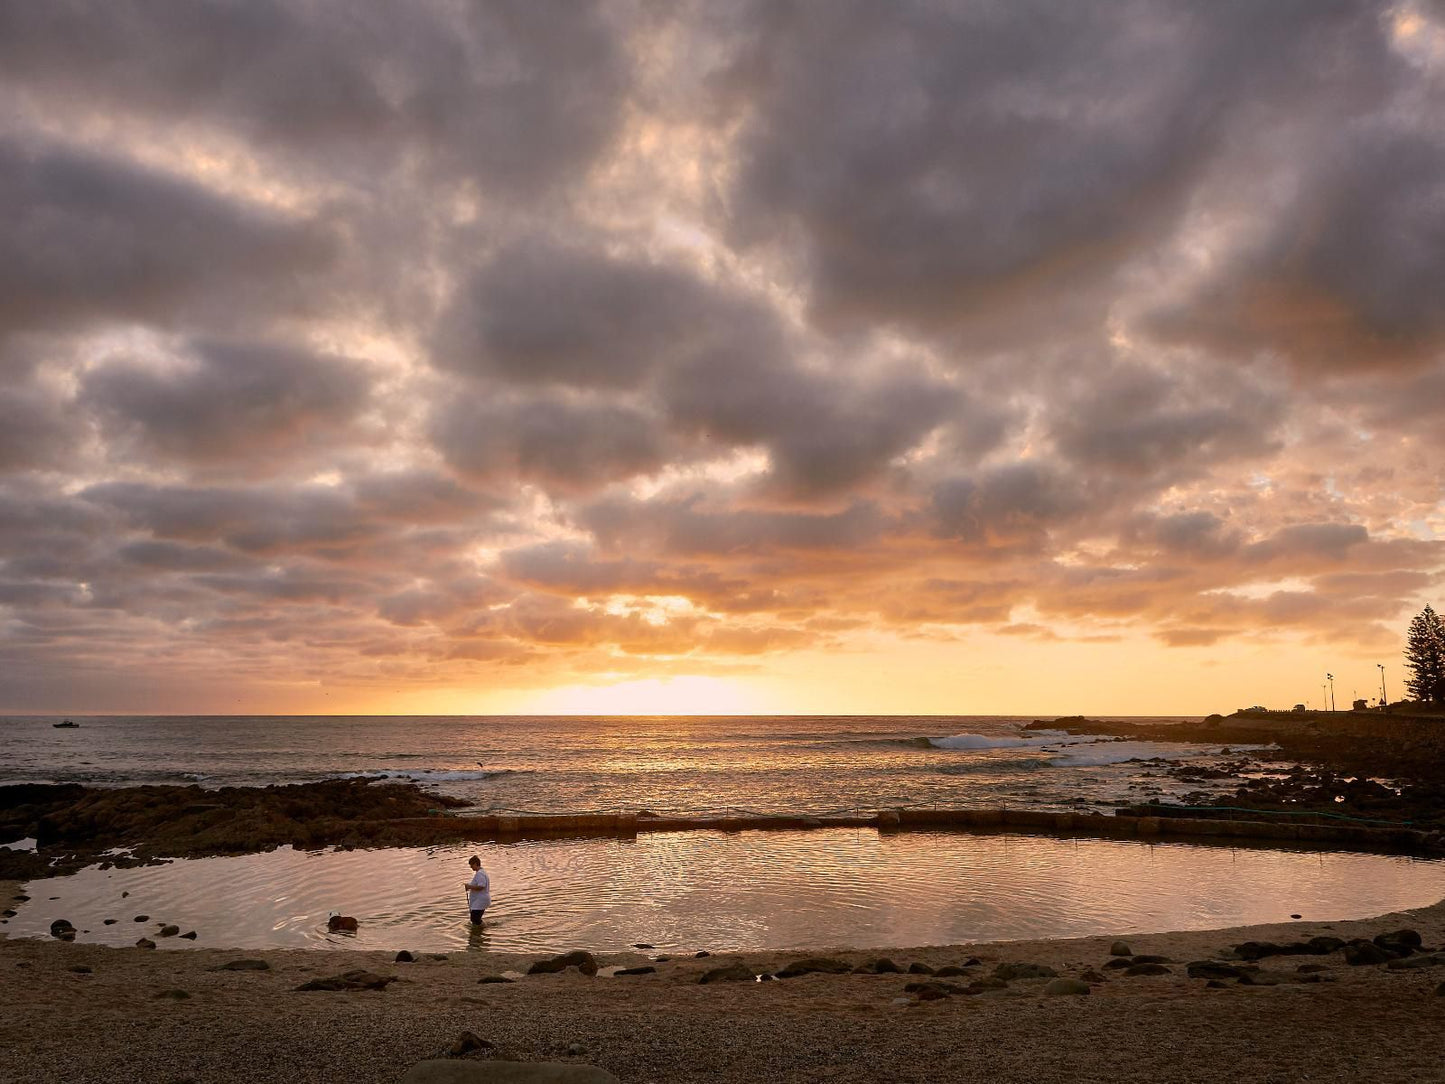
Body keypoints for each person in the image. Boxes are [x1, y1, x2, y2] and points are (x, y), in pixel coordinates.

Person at [462, 854, 490, 926]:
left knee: (475, 919)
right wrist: (469, 886)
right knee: (475, 919)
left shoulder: (480, 874)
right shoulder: (481, 872)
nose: (470, 867)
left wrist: (469, 887)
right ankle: (482, 930)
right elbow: (478, 885)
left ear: (475, 864)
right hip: (480, 900)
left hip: (480, 901)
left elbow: (481, 886)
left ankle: (482, 931)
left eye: (471, 865)